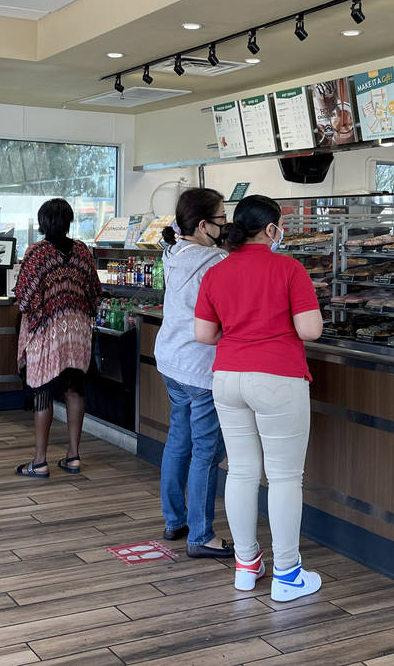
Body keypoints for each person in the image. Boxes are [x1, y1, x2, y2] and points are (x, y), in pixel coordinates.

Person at [194, 194, 325, 602]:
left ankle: (246, 567)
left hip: (228, 378)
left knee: (241, 472)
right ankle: (287, 574)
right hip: (278, 379)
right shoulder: (289, 268)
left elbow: (204, 334)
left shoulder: (217, 271)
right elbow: (310, 330)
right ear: (271, 229)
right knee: (284, 477)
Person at [155, 188, 233, 559]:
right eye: (221, 219)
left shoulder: (173, 250)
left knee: (179, 439)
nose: (226, 225)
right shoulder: (216, 262)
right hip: (200, 366)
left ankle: (175, 520)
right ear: (203, 225)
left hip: (171, 360)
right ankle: (201, 535)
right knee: (206, 450)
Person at [12, 198, 101, 478]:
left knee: (43, 393)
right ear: (69, 221)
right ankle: (73, 456)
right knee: (75, 390)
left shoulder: (37, 253)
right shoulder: (83, 252)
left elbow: (24, 297)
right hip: (77, 331)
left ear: (43, 222)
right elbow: (95, 293)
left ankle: (40, 461)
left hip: (47, 331)